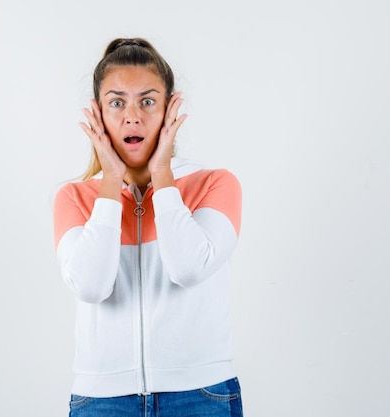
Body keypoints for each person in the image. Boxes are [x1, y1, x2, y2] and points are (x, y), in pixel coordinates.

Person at [52, 37, 243, 417]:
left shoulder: (215, 184)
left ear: (171, 108)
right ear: (98, 114)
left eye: (148, 101)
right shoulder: (74, 197)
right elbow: (91, 286)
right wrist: (110, 181)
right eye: (117, 102)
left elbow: (188, 269)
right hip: (101, 400)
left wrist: (161, 175)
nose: (132, 116)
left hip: (201, 394)